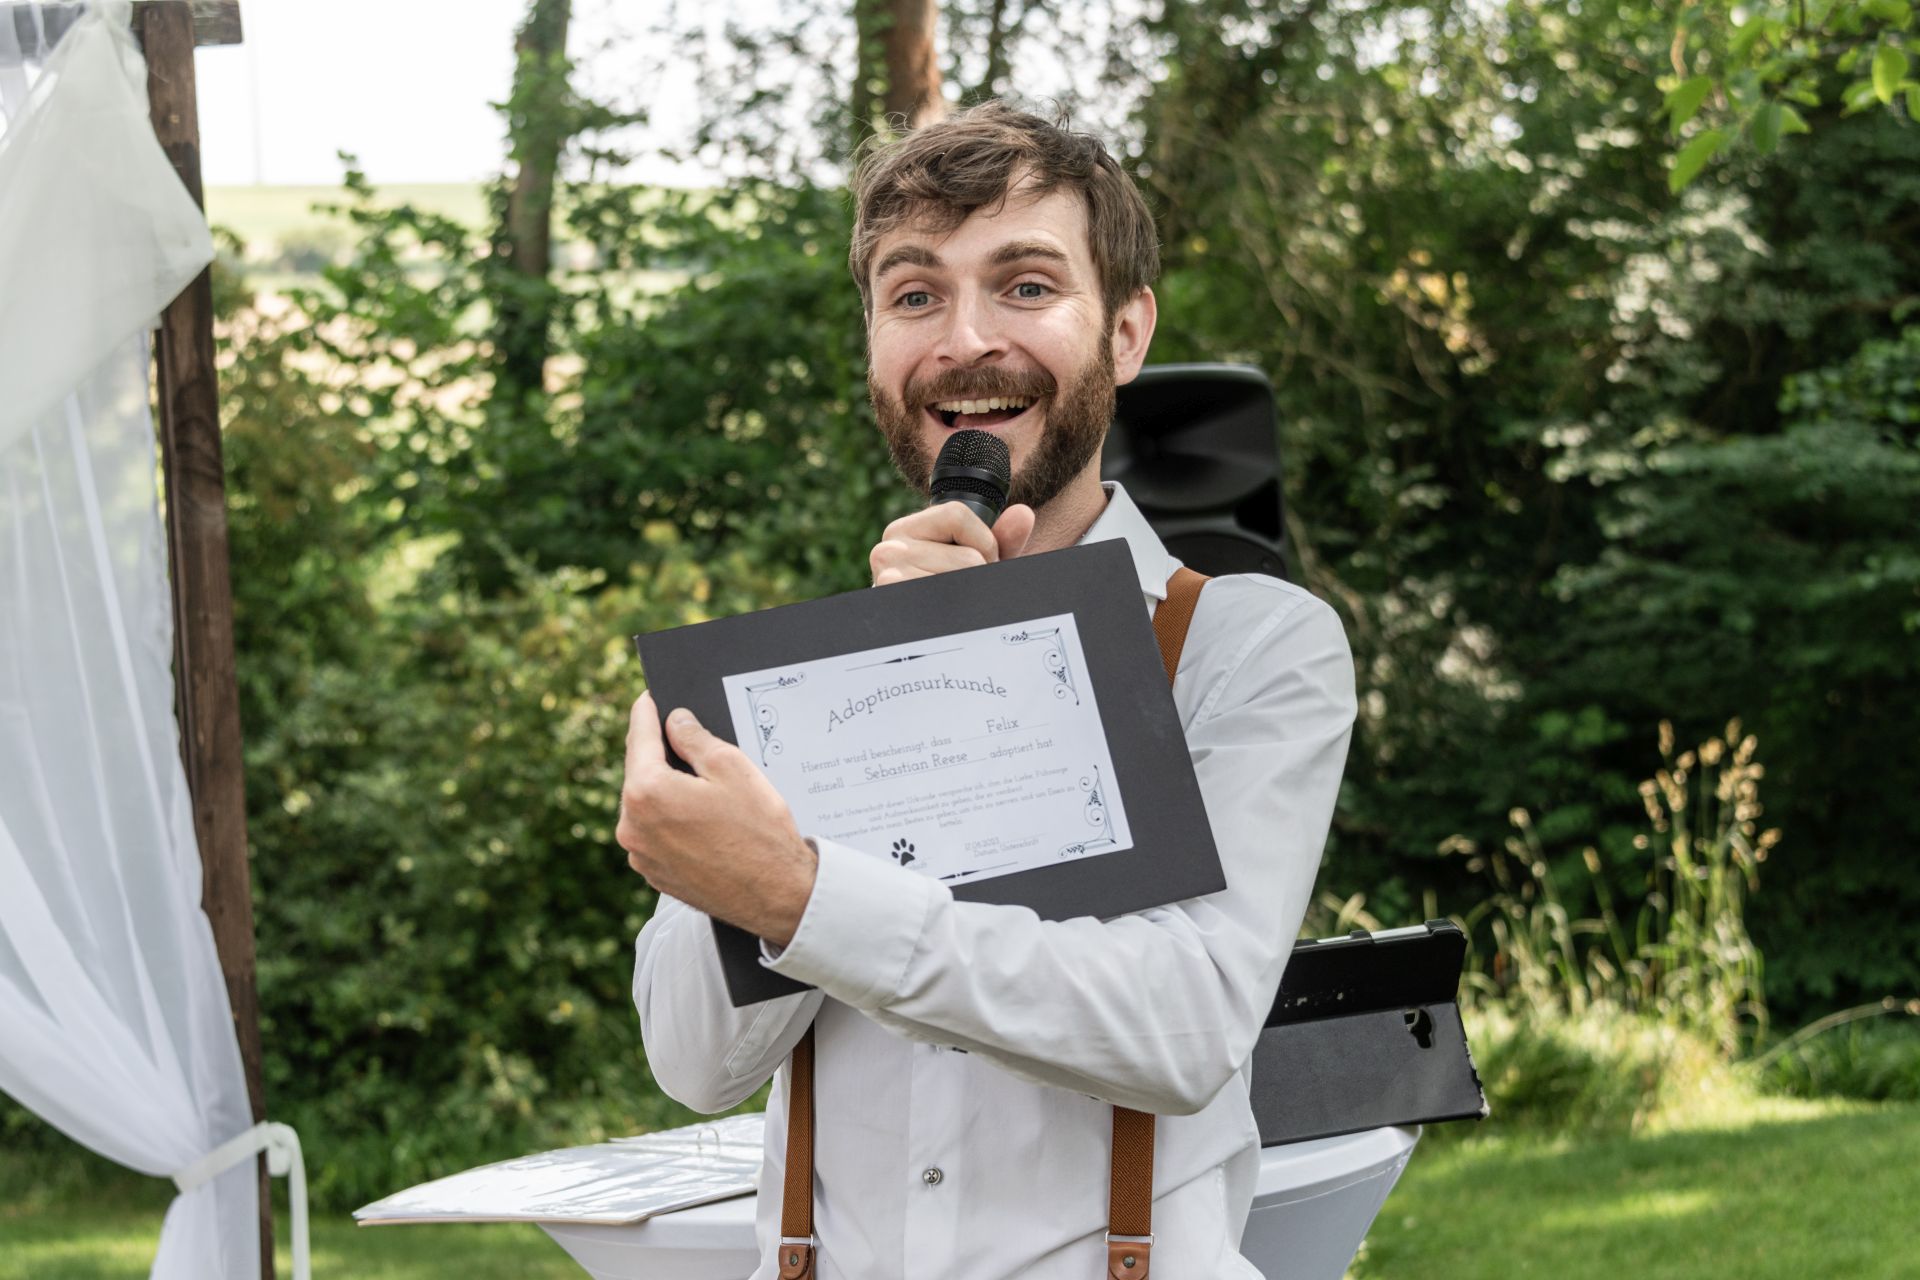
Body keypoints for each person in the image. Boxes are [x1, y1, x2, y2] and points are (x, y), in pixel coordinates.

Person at [620, 101, 1356, 1280]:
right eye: (915, 294)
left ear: (1125, 332)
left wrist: (804, 893)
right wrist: (884, 684)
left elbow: (1187, 1025)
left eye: (1026, 285)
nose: (965, 341)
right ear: (873, 342)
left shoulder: (1252, 644)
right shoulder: (796, 685)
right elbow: (695, 1064)